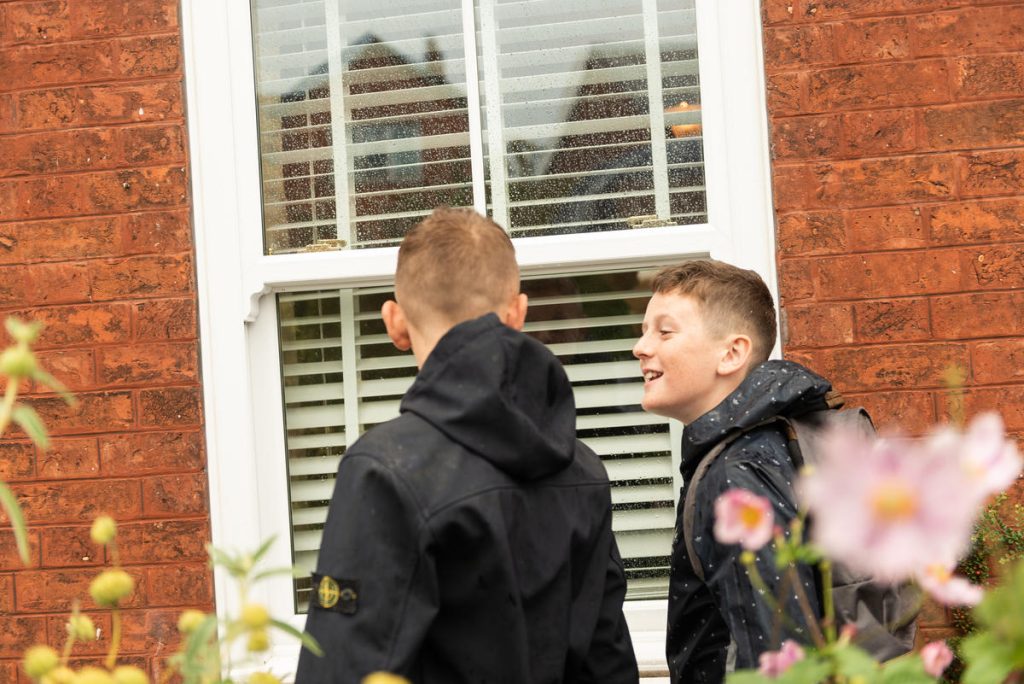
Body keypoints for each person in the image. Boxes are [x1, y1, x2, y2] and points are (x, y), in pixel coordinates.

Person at [296, 207, 639, 684]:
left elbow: (342, 667)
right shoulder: (582, 470)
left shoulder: (383, 469)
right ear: (517, 313)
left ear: (394, 323)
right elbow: (608, 660)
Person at [632, 260, 827, 683]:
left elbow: (778, 659)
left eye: (665, 332)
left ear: (731, 353)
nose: (641, 347)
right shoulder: (763, 446)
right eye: (645, 330)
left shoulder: (736, 474)